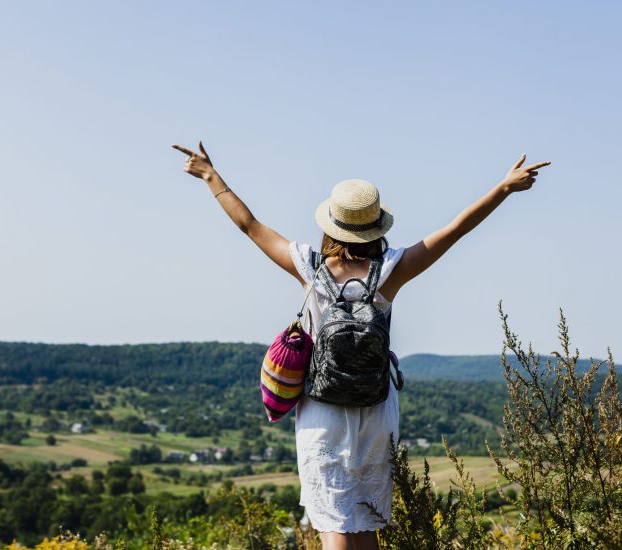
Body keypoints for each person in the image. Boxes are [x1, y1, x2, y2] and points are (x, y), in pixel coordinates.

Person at [172, 141, 550, 550]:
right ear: (375, 226)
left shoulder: (309, 267)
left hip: (322, 409)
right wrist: (503, 188)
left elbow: (249, 225)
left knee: (333, 519)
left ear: (331, 224)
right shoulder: (392, 271)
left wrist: (211, 176)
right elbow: (456, 229)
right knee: (364, 519)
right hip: (375, 408)